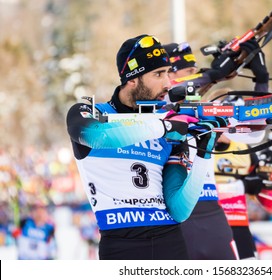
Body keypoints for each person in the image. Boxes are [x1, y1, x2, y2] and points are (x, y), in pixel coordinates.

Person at [66, 34, 224, 260]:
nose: (168, 83)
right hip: (120, 244)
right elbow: (95, 137)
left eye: (169, 73)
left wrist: (204, 153)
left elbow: (179, 211)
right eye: (158, 74)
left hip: (170, 241)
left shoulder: (169, 122)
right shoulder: (93, 112)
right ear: (132, 78)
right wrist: (163, 127)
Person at [163, 42, 239, 260]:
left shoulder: (199, 108)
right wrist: (212, 74)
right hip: (180, 215)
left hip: (212, 215)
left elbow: (245, 133)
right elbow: (173, 92)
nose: (195, 78)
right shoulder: (156, 108)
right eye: (190, 73)